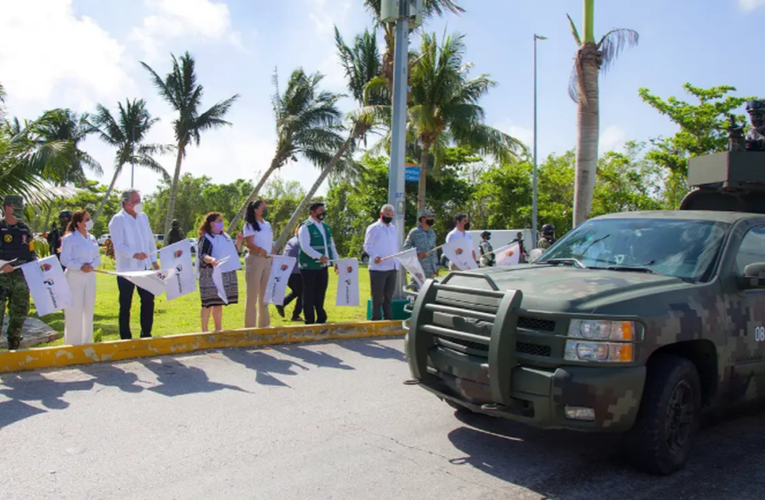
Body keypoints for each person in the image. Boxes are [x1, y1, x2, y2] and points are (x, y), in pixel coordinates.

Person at [108, 189, 159, 340]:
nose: (139, 204)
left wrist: (153, 260)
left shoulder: (143, 217)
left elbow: (149, 240)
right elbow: (118, 244)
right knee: (125, 304)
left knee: (148, 300)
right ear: (126, 203)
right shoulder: (118, 219)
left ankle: (146, 333)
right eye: (135, 201)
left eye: (139, 200)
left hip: (145, 267)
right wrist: (134, 254)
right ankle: (125, 336)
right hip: (127, 269)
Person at [0, 195, 38, 350]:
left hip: (21, 277)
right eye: (17, 208)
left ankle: (14, 343)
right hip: (2, 277)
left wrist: (35, 259)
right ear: (8, 208)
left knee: (20, 312)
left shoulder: (24, 228)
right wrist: (2, 267)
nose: (19, 211)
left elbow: (31, 250)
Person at [197, 212, 243, 332]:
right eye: (219, 220)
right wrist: (211, 259)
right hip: (210, 273)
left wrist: (239, 241)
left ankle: (218, 329)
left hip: (225, 272)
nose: (222, 223)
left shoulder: (225, 236)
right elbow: (202, 254)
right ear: (212, 224)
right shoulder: (205, 237)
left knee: (219, 302)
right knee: (208, 302)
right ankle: (204, 330)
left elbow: (235, 251)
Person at [60, 210, 100, 345]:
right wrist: (80, 266)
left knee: (88, 310)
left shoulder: (92, 238)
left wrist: (91, 266)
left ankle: (86, 342)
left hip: (89, 277)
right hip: (74, 277)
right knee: (74, 311)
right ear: (78, 223)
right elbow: (64, 259)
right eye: (86, 219)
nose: (89, 222)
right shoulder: (69, 238)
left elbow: (97, 258)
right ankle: (73, 343)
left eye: (89, 219)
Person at [298, 202, 339, 325]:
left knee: (320, 292)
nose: (323, 213)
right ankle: (309, 319)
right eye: (320, 210)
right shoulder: (305, 226)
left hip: (323, 266)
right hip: (309, 266)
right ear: (313, 212)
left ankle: (321, 317)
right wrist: (318, 256)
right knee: (309, 293)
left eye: (323, 210)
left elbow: (331, 245)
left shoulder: (325, 226)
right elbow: (305, 246)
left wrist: (336, 261)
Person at [364, 204, 400, 321]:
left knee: (388, 296)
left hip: (392, 266)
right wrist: (375, 257)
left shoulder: (393, 229)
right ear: (381, 214)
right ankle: (376, 317)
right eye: (387, 215)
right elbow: (367, 246)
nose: (389, 217)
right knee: (377, 296)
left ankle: (388, 317)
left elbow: (395, 246)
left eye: (391, 215)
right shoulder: (373, 228)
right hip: (378, 267)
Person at [242, 200, 273, 328]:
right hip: (255, 259)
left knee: (265, 293)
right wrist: (260, 250)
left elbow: (269, 242)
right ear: (256, 210)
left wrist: (272, 252)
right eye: (262, 207)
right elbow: (248, 243)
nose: (265, 209)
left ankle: (264, 324)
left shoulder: (267, 224)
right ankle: (249, 326)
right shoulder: (249, 225)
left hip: (267, 259)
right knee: (252, 294)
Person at [276, 226, 303, 322]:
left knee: (297, 291)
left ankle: (282, 303)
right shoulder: (300, 243)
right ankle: (296, 315)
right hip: (295, 272)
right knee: (302, 292)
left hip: (286, 272)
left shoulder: (291, 240)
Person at [403, 209, 439, 281]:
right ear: (423, 219)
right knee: (418, 290)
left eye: (432, 217)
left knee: (429, 291)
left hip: (430, 270)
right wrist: (417, 253)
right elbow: (406, 247)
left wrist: (436, 267)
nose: (432, 219)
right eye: (429, 217)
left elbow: (434, 251)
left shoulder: (432, 233)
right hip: (418, 269)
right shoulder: (414, 232)